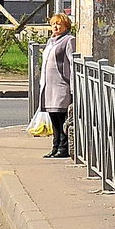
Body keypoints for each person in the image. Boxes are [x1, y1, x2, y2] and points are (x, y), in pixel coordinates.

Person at [39, 12, 75, 158]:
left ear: (66, 26)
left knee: (62, 116)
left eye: (59, 24)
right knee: (53, 115)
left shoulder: (69, 40)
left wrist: (72, 86)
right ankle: (55, 146)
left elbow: (72, 63)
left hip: (61, 84)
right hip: (49, 85)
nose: (56, 26)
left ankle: (63, 147)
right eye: (54, 23)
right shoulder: (51, 41)